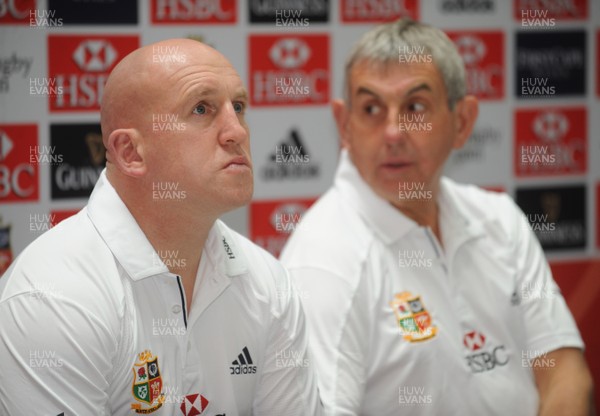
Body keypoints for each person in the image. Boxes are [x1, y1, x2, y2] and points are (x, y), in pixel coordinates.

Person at [280, 18, 593, 416]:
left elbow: (564, 371)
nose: (393, 132)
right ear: (344, 125)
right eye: (371, 108)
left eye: (415, 106)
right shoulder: (324, 260)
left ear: (462, 122)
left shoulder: (499, 219)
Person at [0, 39, 322, 416]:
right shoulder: (53, 296)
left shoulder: (268, 282)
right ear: (130, 153)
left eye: (238, 106)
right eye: (201, 109)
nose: (237, 131)